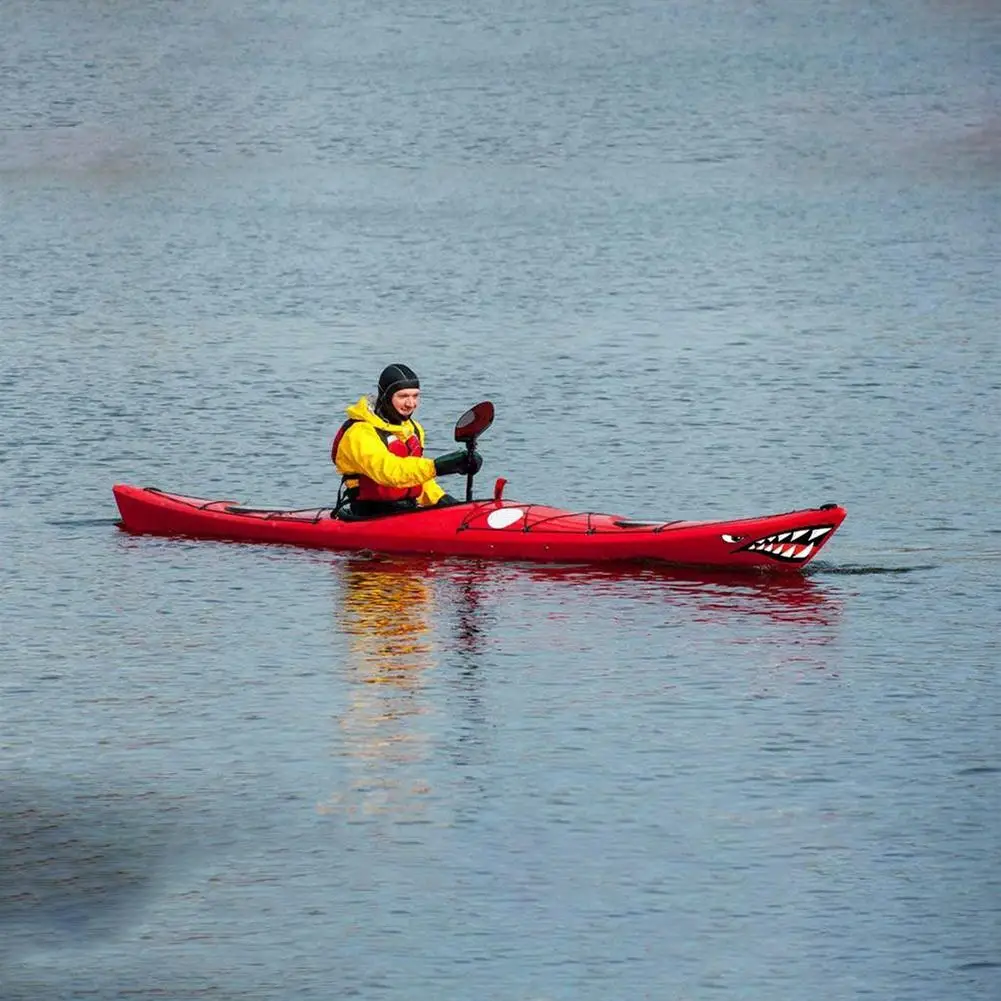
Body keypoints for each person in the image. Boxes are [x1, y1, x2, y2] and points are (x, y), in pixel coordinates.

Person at [331, 363, 482, 518]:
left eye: (415, 396)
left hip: (407, 512)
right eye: (403, 396)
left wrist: (442, 500)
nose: (410, 404)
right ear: (386, 397)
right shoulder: (360, 433)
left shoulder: (414, 429)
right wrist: (439, 466)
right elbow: (389, 471)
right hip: (368, 516)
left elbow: (415, 477)